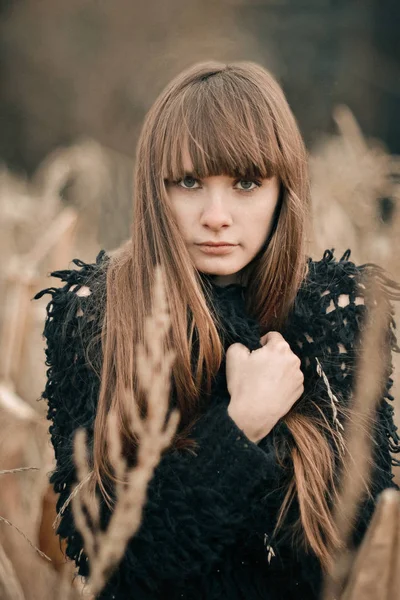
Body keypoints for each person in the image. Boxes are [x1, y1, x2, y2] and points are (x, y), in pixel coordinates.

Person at [35, 61, 400, 599]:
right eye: (189, 182)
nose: (216, 215)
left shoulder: (334, 314)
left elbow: (363, 549)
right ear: (155, 191)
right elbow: (120, 567)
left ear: (283, 189)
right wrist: (240, 425)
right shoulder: (100, 317)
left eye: (246, 183)